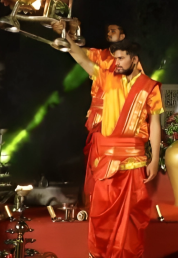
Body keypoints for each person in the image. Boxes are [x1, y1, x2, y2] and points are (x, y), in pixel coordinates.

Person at [63, 35, 162, 258]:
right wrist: (66, 38)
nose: (115, 62)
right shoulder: (107, 78)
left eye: (120, 58)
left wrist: (155, 159)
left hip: (134, 158)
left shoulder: (150, 87)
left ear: (134, 59)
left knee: (131, 217)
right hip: (106, 159)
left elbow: (155, 125)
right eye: (115, 57)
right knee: (102, 215)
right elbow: (81, 59)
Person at [52, 19, 144, 206]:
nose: (109, 33)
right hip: (101, 121)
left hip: (123, 124)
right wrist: (65, 35)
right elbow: (80, 56)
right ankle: (97, 204)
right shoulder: (101, 61)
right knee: (98, 167)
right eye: (107, 30)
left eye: (114, 30)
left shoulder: (133, 70)